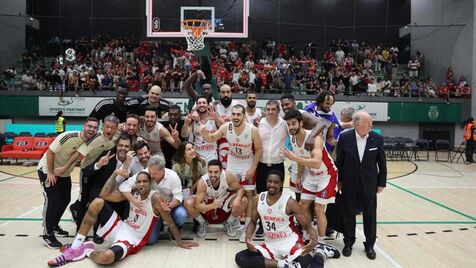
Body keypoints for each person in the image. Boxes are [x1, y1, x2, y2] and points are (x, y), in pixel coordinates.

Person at [47, 170, 198, 267]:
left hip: (132, 240)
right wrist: (114, 174)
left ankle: (86, 251)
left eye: (145, 181)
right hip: (120, 227)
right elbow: (104, 194)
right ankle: (75, 247)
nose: (141, 184)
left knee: (106, 258)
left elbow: (170, 223)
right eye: (139, 181)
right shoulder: (132, 194)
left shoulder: (156, 198)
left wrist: (180, 241)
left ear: (150, 183)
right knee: (98, 202)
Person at [235, 170, 339, 268]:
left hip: (290, 242)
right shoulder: (258, 199)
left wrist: (314, 241)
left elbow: (307, 225)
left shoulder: (290, 202)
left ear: (281, 184)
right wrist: (248, 238)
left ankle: (320, 252)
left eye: (276, 182)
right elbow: (253, 222)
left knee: (307, 263)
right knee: (240, 258)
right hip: (271, 244)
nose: (272, 185)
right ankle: (283, 264)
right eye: (270, 181)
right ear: (266, 182)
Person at [201, 104, 263, 242]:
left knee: (249, 194)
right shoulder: (226, 127)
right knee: (229, 192)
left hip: (247, 163)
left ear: (243, 115)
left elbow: (259, 150)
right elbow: (211, 139)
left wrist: (253, 168)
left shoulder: (252, 130)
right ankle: (231, 221)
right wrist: (204, 133)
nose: (235, 117)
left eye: (238, 114)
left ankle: (247, 228)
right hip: (232, 163)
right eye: (233, 114)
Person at [37, 117, 99, 249]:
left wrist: (64, 169)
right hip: (48, 171)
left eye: (95, 127)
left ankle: (54, 225)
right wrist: (50, 173)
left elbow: (75, 156)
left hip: (64, 174)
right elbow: (50, 151)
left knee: (65, 199)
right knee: (51, 201)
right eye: (90, 126)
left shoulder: (88, 142)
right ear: (84, 126)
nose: (92, 129)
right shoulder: (67, 136)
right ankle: (47, 234)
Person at [280, 109, 338, 245]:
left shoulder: (314, 138)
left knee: (318, 208)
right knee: (302, 205)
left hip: (326, 175)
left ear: (301, 123)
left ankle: (321, 241)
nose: (291, 127)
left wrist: (294, 158)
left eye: (293, 123)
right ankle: (307, 235)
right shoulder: (293, 139)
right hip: (311, 176)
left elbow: (317, 163)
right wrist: (299, 177)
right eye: (288, 125)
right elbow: (301, 159)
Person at [336, 111, 387, 260]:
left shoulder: (377, 138)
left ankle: (370, 245)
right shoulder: (345, 137)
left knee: (370, 215)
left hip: (369, 183)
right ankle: (348, 242)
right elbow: (340, 161)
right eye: (369, 123)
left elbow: (382, 163)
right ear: (358, 124)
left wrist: (381, 182)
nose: (372, 125)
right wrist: (338, 180)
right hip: (349, 182)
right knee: (348, 214)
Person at [119, 155, 187, 245]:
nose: (150, 175)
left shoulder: (173, 176)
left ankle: (173, 229)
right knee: (150, 240)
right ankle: (160, 226)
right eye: (150, 172)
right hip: (153, 210)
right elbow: (123, 186)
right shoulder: (146, 173)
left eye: (154, 173)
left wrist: (167, 206)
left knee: (181, 215)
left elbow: (178, 198)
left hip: (170, 206)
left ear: (162, 169)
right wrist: (133, 200)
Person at [79, 134, 132, 242]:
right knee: (100, 200)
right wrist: (98, 164)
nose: (123, 148)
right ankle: (97, 229)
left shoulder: (132, 160)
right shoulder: (107, 155)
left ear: (130, 148)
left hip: (119, 193)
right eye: (121, 145)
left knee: (128, 200)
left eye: (126, 146)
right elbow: (87, 172)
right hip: (101, 190)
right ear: (116, 146)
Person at [184, 159, 247, 238]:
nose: (213, 175)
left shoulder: (227, 176)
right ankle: (202, 223)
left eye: (216, 172)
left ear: (221, 171)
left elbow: (240, 189)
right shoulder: (203, 182)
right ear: (208, 171)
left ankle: (229, 222)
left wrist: (238, 199)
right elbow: (197, 205)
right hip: (207, 202)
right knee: (188, 202)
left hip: (223, 199)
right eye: (210, 172)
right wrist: (211, 206)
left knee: (243, 200)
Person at [181, 95, 219, 163]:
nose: (202, 105)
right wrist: (186, 123)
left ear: (208, 105)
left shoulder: (214, 117)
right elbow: (184, 135)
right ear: (196, 105)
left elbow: (225, 129)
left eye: (204, 103)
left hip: (212, 153)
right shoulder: (193, 120)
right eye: (199, 103)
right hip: (197, 153)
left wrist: (217, 118)